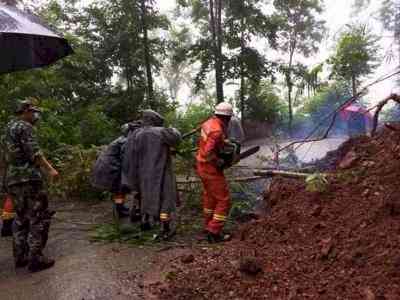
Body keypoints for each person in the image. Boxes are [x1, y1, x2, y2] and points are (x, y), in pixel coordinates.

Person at [4, 99, 59, 272]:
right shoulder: (25, 127)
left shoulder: (6, 130)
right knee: (38, 215)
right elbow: (35, 153)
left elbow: (3, 157)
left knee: (20, 217)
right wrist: (51, 170)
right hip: (29, 178)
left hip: (12, 179)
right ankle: (36, 258)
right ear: (25, 112)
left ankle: (21, 256)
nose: (35, 115)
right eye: (33, 112)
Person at [122, 110, 181, 240]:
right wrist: (172, 129)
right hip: (161, 172)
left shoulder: (136, 134)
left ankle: (145, 221)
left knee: (145, 196)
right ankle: (165, 227)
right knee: (166, 198)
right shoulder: (162, 132)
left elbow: (130, 155)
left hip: (142, 173)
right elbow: (176, 139)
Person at [196, 102, 235, 243]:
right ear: (227, 118)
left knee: (210, 197)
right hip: (210, 168)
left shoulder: (209, 123)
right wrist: (219, 161)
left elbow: (207, 142)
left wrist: (224, 142)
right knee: (223, 199)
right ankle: (214, 232)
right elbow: (208, 152)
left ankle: (208, 225)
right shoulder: (217, 131)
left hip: (201, 165)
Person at [91, 121, 142, 218]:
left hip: (110, 166)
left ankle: (120, 207)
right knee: (119, 189)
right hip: (110, 167)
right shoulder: (125, 141)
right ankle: (120, 210)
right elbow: (125, 159)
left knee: (119, 189)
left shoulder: (123, 139)